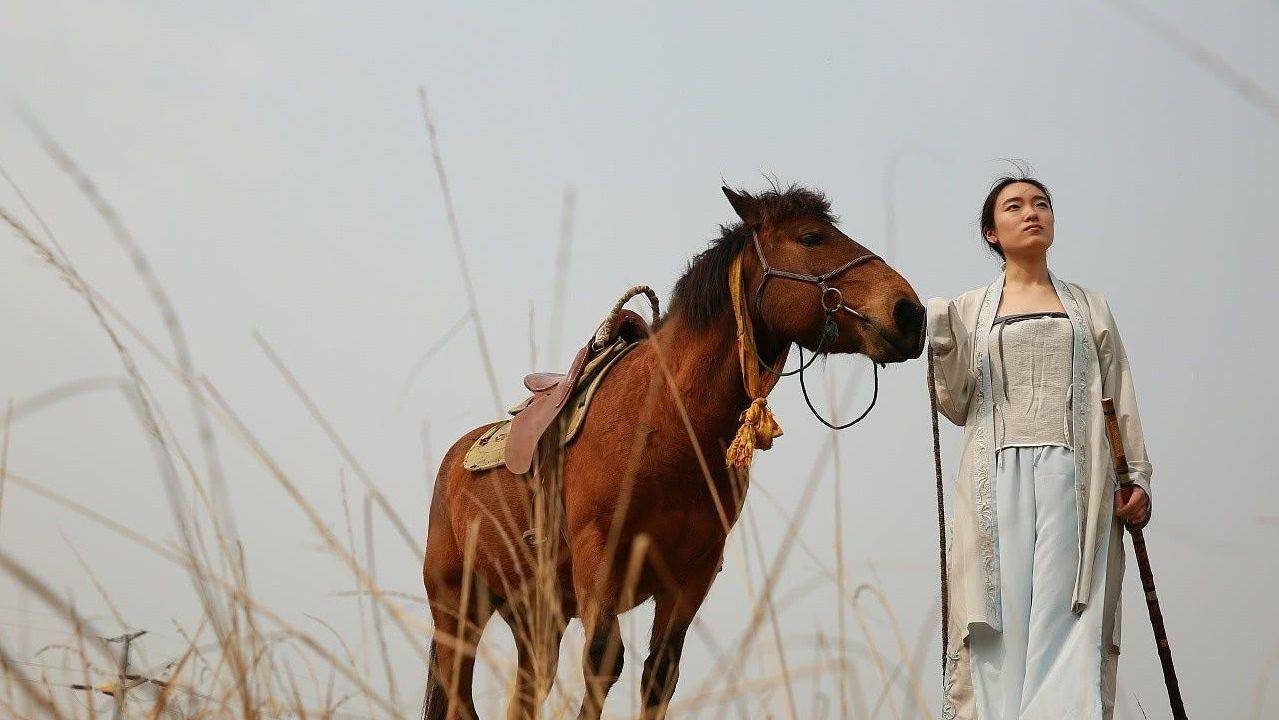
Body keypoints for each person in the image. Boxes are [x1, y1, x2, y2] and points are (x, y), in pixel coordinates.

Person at [928, 176, 1152, 719]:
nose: (1032, 213)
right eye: (1015, 206)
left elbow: (1118, 391)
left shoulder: (1090, 308)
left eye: (1042, 204)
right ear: (991, 231)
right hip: (994, 479)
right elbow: (955, 403)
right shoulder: (966, 310)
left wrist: (1137, 478)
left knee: (1066, 613)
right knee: (997, 618)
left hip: (1076, 481)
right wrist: (938, 338)